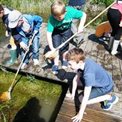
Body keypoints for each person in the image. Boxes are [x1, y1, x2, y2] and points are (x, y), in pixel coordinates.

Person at [65, 48, 119, 122]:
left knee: (81, 100)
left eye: (70, 64)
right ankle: (99, 92)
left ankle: (109, 98)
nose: (68, 66)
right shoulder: (82, 62)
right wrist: (73, 94)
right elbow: (75, 79)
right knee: (79, 85)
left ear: (80, 62)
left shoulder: (88, 75)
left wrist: (80, 114)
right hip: (99, 80)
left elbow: (86, 97)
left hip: (104, 87)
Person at [47, 0, 86, 74]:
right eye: (56, 18)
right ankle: (55, 64)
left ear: (65, 12)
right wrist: (52, 48)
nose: (58, 19)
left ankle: (64, 60)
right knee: (56, 48)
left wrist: (80, 26)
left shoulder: (70, 11)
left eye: (60, 17)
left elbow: (83, 15)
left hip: (66, 31)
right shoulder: (51, 19)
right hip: (56, 32)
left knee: (65, 47)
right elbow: (48, 34)